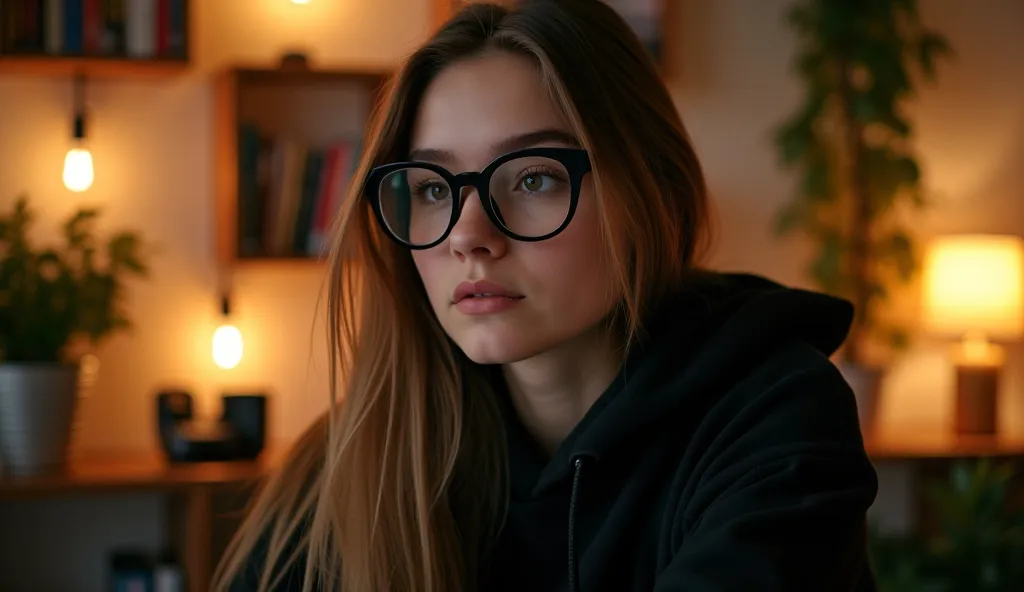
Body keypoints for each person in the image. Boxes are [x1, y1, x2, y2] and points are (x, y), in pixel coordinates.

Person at [214, 1, 880, 590]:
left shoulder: (775, 419)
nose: (468, 237)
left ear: (657, 192)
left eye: (534, 179)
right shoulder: (358, 460)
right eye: (433, 190)